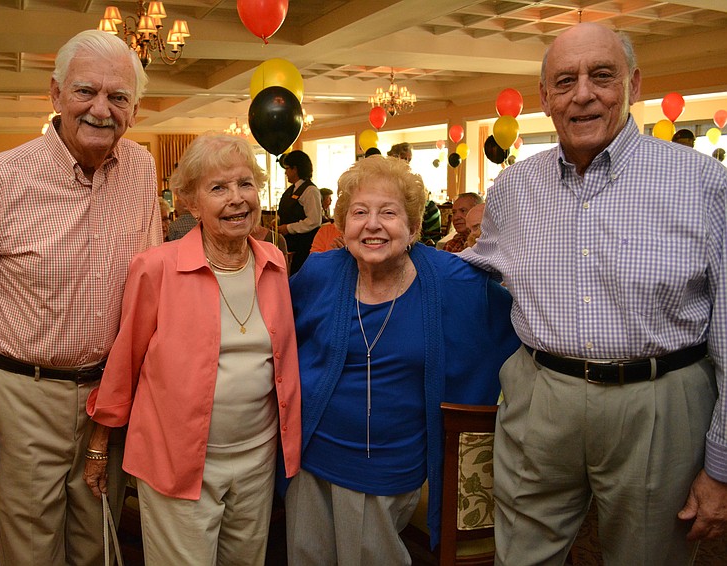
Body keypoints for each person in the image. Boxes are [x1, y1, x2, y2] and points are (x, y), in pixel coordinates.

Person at [460, 23, 727, 565]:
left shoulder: (703, 184)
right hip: (540, 397)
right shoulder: (515, 186)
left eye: (601, 76)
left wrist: (720, 464)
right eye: (565, 81)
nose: (582, 93)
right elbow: (476, 269)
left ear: (633, 83)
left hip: (659, 405)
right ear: (545, 97)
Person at [0, 30, 162, 565]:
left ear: (135, 109)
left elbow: (149, 288)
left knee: (99, 546)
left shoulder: (142, 171)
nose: (101, 110)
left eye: (118, 97)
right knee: (33, 554)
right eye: (86, 92)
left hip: (108, 400)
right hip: (21, 400)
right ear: (55, 95)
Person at [286, 156, 520, 565]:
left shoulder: (451, 280)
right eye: (359, 212)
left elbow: (523, 323)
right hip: (312, 455)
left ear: (413, 227)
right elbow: (278, 335)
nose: (372, 224)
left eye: (388, 212)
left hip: (390, 463)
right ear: (342, 224)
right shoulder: (320, 273)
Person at [83, 132, 302, 564]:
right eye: (218, 188)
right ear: (190, 202)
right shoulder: (157, 267)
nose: (237, 199)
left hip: (257, 455)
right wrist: (100, 439)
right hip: (176, 458)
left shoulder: (274, 264)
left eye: (245, 184)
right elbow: (125, 359)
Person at [277, 150, 321, 275]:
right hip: (289, 244)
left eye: (287, 168)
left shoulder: (310, 191)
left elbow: (314, 221)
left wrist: (289, 228)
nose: (285, 172)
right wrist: (279, 221)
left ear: (295, 169)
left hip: (303, 247)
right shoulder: (291, 189)